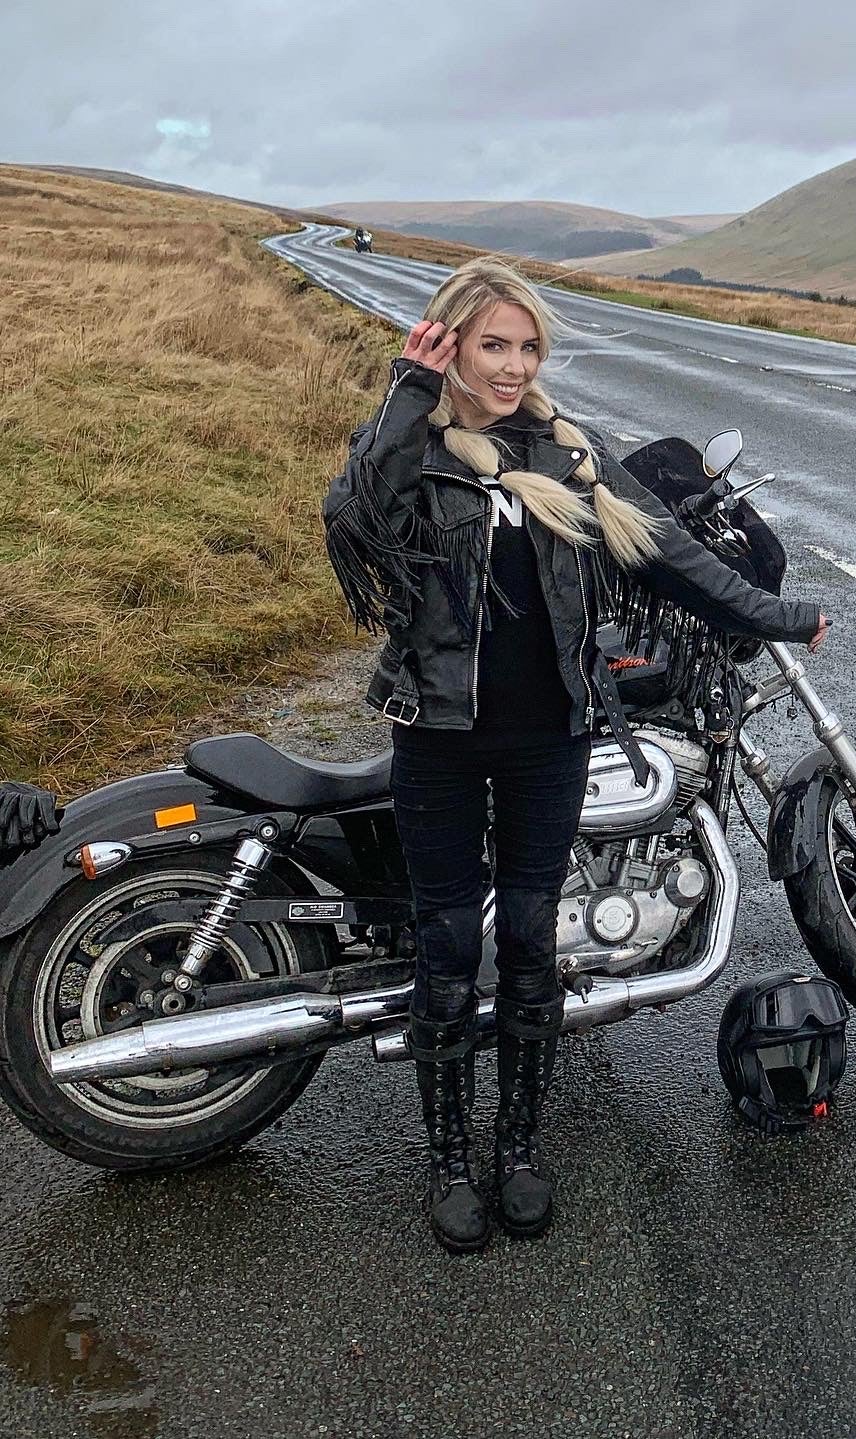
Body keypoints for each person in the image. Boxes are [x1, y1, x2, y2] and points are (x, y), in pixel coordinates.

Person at [323, 256, 829, 1255]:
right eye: (491, 345)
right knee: (443, 949)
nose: (511, 366)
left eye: (526, 347)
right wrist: (406, 391)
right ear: (454, 344)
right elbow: (354, 526)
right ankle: (448, 1161)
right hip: (439, 737)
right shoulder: (414, 447)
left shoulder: (571, 456)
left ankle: (516, 1150)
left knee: (525, 941)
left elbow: (670, 557)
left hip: (550, 738)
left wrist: (777, 613)